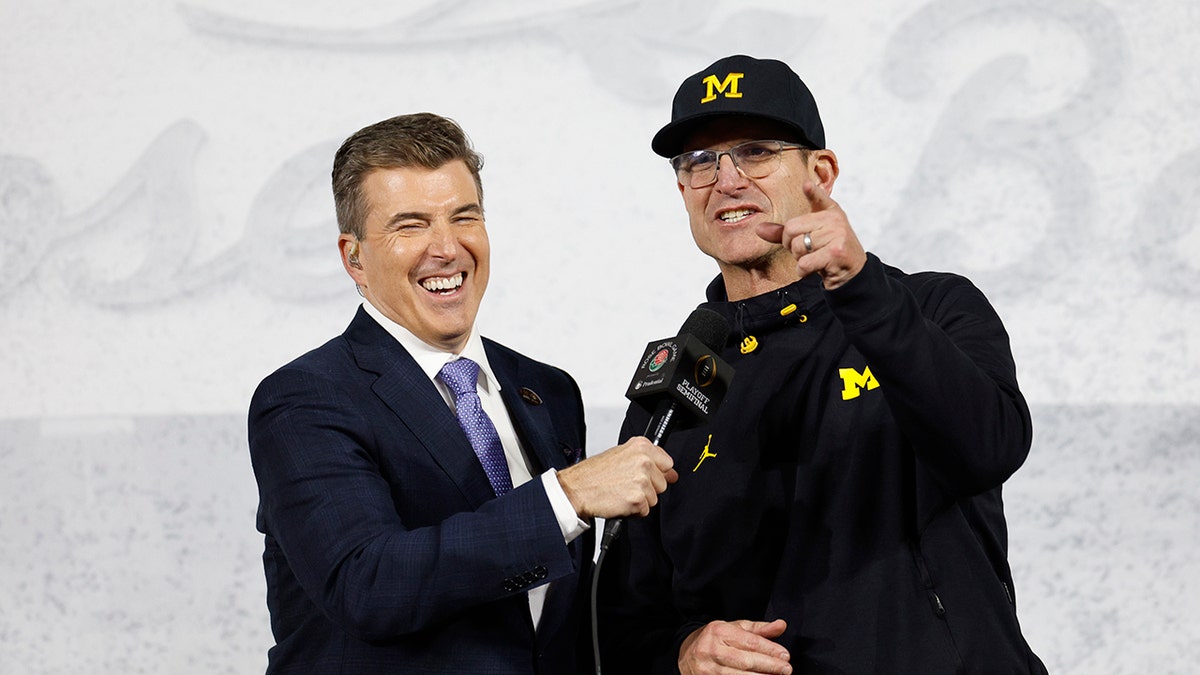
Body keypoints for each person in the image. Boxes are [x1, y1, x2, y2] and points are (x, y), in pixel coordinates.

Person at [596, 55, 1047, 674]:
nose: (726, 180)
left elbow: (989, 447)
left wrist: (861, 289)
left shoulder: (930, 306)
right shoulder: (677, 385)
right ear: (682, 190)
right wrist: (680, 651)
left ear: (821, 172)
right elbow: (619, 622)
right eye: (700, 162)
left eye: (755, 151)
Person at [248, 112, 677, 674]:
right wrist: (563, 497)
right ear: (353, 256)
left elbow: (562, 622)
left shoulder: (547, 390)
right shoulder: (304, 400)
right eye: (410, 225)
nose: (447, 248)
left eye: (464, 216)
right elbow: (368, 585)